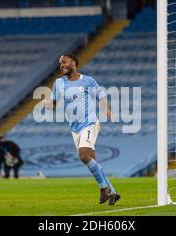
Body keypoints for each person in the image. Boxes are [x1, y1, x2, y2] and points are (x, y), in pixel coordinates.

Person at [43, 53, 120, 205]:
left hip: (89, 122)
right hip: (74, 128)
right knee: (92, 161)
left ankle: (104, 189)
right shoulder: (58, 83)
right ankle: (111, 191)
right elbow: (53, 104)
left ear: (73, 62)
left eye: (64, 62)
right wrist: (47, 104)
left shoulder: (88, 80)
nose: (61, 65)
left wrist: (108, 111)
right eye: (60, 64)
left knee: (83, 156)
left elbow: (101, 96)